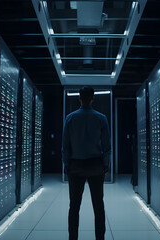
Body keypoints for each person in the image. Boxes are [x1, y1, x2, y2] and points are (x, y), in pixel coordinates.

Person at [62, 86, 111, 240]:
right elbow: (106, 146)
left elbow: (65, 146)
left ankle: (73, 238)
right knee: (98, 206)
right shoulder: (101, 118)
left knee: (74, 206)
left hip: (76, 166)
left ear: (79, 98)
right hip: (96, 166)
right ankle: (100, 238)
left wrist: (67, 165)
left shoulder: (70, 118)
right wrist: (105, 165)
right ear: (93, 98)